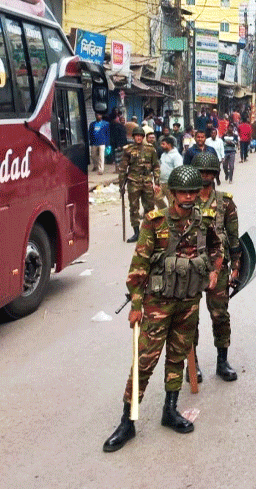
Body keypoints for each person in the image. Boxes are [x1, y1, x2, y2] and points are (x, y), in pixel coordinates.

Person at [101, 165, 224, 452]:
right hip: (158, 303)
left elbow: (218, 248)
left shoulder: (205, 221)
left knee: (177, 358)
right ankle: (128, 421)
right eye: (183, 191)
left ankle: (170, 410)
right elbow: (139, 266)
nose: (189, 196)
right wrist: (135, 304)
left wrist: (214, 270)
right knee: (144, 361)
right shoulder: (155, 223)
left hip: (189, 302)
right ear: (171, 193)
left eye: (193, 191)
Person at [191, 152, 241, 384]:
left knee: (220, 315)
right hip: (189, 269)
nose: (206, 176)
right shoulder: (184, 200)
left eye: (210, 172)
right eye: (202, 172)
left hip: (218, 268)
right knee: (189, 319)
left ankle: (222, 361)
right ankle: (193, 364)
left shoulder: (225, 202)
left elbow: (233, 237)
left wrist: (236, 267)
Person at [118, 127, 160, 243]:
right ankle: (136, 232)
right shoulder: (128, 150)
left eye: (141, 136)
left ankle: (149, 230)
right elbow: (122, 168)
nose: (139, 138)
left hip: (147, 181)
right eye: (136, 136)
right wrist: (121, 185)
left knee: (150, 207)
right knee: (134, 208)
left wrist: (157, 182)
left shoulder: (150, 149)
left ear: (143, 137)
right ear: (133, 137)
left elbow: (156, 166)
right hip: (133, 182)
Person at [157, 137, 183, 209]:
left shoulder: (177, 156)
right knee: (156, 198)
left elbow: (178, 170)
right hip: (161, 182)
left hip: (170, 184)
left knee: (172, 203)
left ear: (169, 145)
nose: (161, 146)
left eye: (163, 144)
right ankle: (165, 211)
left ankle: (172, 216)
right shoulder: (163, 155)